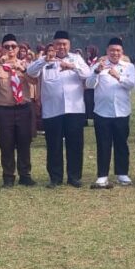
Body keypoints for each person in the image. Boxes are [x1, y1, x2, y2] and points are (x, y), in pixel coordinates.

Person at [26, 30, 91, 188]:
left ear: (69, 45)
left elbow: (87, 74)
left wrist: (71, 66)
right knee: (53, 145)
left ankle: (74, 177)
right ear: (53, 45)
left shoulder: (76, 58)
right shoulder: (45, 59)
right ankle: (55, 178)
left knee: (75, 144)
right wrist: (44, 60)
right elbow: (30, 72)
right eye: (58, 44)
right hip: (52, 110)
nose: (61, 47)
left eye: (64, 44)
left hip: (74, 109)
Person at [87, 37, 135, 188]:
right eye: (112, 50)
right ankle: (102, 175)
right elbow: (89, 84)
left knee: (121, 143)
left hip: (122, 111)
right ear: (107, 51)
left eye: (118, 50)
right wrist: (96, 72)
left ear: (122, 52)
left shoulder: (128, 67)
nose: (115, 53)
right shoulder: (98, 65)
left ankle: (122, 174)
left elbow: (131, 85)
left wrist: (118, 76)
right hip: (102, 112)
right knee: (103, 144)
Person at [0, 34, 36, 188]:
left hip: (23, 108)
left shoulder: (26, 64)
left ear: (18, 49)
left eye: (13, 46)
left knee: (24, 142)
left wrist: (23, 70)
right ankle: (8, 176)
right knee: (6, 144)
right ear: (2, 49)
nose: (10, 49)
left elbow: (34, 81)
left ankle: (25, 175)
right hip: (4, 110)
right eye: (7, 47)